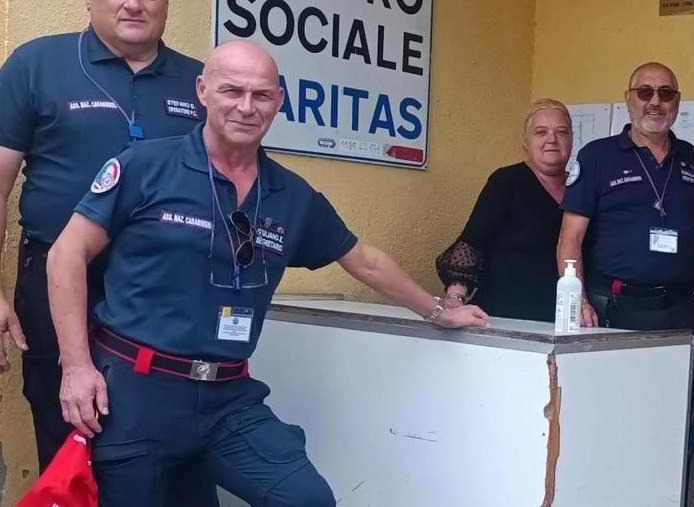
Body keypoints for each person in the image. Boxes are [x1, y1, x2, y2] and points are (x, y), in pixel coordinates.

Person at [46, 40, 490, 507]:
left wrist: (438, 310)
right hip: (138, 393)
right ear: (202, 90)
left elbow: (365, 261)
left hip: (227, 398)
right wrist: (76, 367)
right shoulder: (145, 167)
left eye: (261, 95)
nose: (245, 106)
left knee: (305, 498)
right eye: (231, 90)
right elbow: (66, 256)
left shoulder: (290, 195)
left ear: (279, 101)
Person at [0, 0, 206, 475]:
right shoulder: (35, 64)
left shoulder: (201, 83)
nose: (133, 3)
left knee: (160, 431)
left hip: (164, 290)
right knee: (65, 422)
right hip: (57, 277)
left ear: (167, 1)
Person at [556, 62, 694, 330]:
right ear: (629, 99)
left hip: (679, 310)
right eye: (644, 92)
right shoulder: (597, 156)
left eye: (666, 93)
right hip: (615, 307)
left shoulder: (689, 156)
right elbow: (570, 238)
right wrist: (577, 302)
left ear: (677, 101)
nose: (655, 102)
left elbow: (691, 231)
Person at [435, 98, 573, 321]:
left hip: (564, 318)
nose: (552, 139)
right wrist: (455, 300)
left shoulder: (581, 188)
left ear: (572, 138)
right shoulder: (506, 181)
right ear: (526, 141)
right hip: (504, 315)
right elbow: (473, 242)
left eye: (561, 131)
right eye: (541, 132)